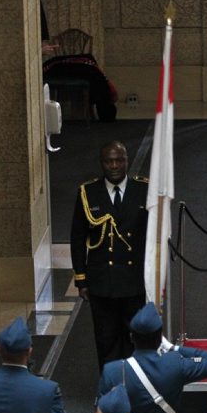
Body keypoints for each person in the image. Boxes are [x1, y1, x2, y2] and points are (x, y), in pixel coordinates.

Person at [70, 140, 149, 369]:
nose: (114, 166)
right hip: (102, 282)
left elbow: (154, 236)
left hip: (135, 281)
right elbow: (77, 238)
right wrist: (81, 278)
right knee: (106, 339)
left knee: (135, 338)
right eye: (109, 161)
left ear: (127, 161)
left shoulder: (144, 190)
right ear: (102, 163)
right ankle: (110, 385)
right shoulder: (88, 193)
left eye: (119, 160)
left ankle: (135, 386)